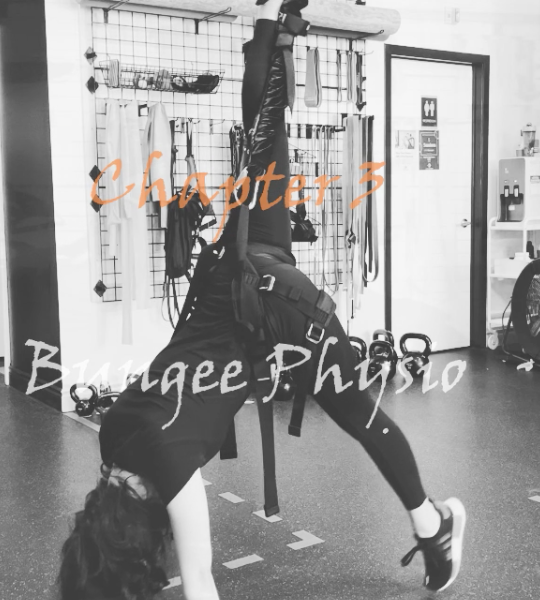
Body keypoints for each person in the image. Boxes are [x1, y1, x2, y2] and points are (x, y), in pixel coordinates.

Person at [58, 1, 466, 599]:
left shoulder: (168, 472)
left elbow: (200, 582)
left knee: (357, 411)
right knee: (262, 136)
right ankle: (271, 27)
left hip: (273, 303)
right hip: (233, 273)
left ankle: (436, 526)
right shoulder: (112, 434)